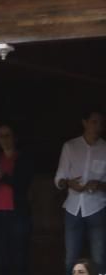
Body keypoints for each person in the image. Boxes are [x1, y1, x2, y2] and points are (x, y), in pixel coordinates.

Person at [55, 108, 106, 275]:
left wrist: (98, 185)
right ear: (84, 123)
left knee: (99, 257)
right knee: (71, 257)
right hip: (73, 207)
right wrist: (69, 183)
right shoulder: (70, 146)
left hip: (97, 207)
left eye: (101, 123)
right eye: (94, 122)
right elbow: (59, 180)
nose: (98, 126)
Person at [0, 123, 33, 275]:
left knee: (19, 257)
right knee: (0, 258)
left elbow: (22, 184)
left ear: (15, 137)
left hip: (17, 213)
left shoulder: (23, 158)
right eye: (0, 136)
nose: (4, 139)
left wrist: (3, 177)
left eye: (7, 135)